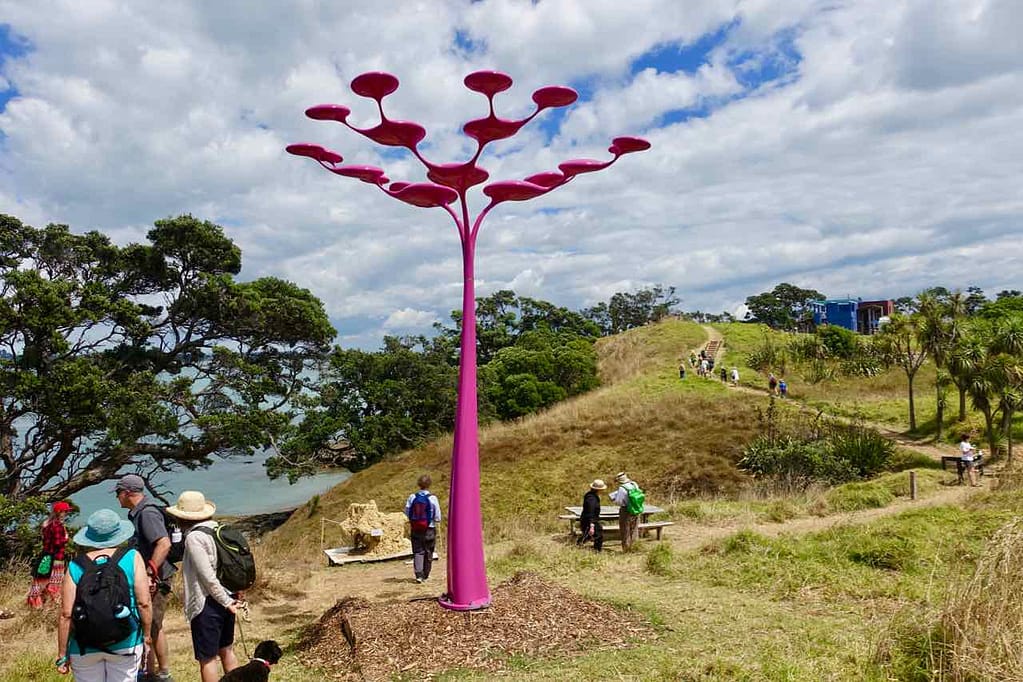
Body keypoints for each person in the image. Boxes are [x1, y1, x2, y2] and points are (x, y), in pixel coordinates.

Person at [56, 508, 152, 681]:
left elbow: (66, 614)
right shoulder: (132, 557)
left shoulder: (76, 565)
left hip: (84, 645)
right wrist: (146, 636)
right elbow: (144, 602)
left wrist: (63, 653)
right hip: (127, 641)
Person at [165, 491, 241, 682]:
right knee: (227, 649)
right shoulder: (219, 529)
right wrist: (232, 597)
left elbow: (206, 576)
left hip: (207, 602)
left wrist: (224, 602)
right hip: (229, 595)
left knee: (207, 659)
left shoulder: (195, 538)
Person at [116, 474, 175, 682]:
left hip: (156, 579)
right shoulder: (140, 512)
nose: (117, 498)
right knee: (153, 624)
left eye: (118, 493)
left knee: (152, 624)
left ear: (128, 493)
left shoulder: (146, 514)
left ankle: (158, 673)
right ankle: (154, 671)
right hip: (154, 577)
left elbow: (164, 543)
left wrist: (150, 573)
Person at [27, 500, 72, 608]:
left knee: (40, 580)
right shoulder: (58, 526)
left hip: (45, 556)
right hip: (57, 558)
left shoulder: (47, 524)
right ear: (60, 512)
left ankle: (35, 603)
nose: (67, 514)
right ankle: (53, 605)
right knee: (55, 582)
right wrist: (65, 538)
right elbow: (58, 543)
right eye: (65, 511)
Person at [405, 474, 442, 584]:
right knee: (428, 551)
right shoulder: (433, 498)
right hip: (429, 529)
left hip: (416, 528)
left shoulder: (412, 497)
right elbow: (438, 517)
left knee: (418, 551)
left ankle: (418, 575)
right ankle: (426, 574)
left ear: (418, 484)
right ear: (429, 485)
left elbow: (407, 512)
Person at [609, 472, 641, 552]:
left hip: (625, 510)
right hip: (636, 509)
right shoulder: (634, 484)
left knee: (625, 530)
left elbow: (619, 501)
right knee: (634, 529)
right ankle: (635, 547)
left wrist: (614, 498)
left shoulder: (622, 488)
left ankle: (626, 549)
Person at [576, 479, 605, 552]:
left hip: (589, 520)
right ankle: (597, 551)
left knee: (590, 535)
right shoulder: (591, 498)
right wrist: (592, 525)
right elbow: (590, 511)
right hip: (589, 520)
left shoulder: (591, 495)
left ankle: (578, 545)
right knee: (598, 535)